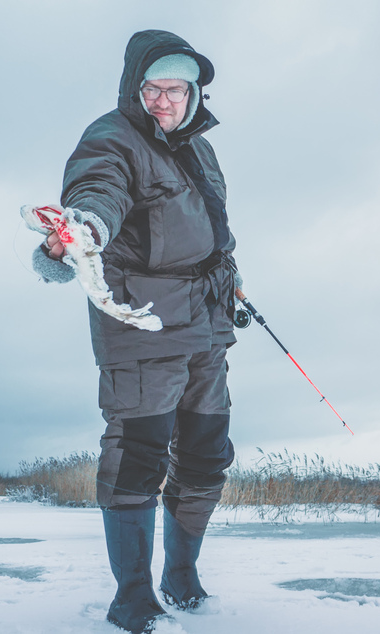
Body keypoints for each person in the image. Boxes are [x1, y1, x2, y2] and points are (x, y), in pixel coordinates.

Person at [31, 29, 240, 634]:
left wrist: (233, 283)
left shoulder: (198, 149)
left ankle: (182, 575)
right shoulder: (111, 138)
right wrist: (82, 230)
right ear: (134, 88)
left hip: (207, 323)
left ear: (194, 93)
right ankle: (132, 597)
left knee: (205, 456)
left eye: (176, 89)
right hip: (142, 324)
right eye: (152, 88)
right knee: (137, 457)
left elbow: (212, 234)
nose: (163, 101)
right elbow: (97, 191)